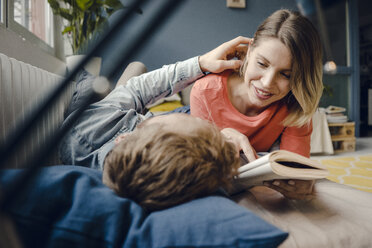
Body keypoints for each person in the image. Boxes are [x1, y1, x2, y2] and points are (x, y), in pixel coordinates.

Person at [59, 37, 250, 211]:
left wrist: (201, 63)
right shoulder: (170, 177)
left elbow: (138, 89)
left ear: (127, 136)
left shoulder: (85, 131)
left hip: (99, 115)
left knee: (129, 70)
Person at [189, 9, 323, 200]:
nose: (267, 83)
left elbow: (294, 168)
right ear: (249, 52)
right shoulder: (205, 91)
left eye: (286, 74)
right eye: (262, 64)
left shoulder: (295, 107)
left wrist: (303, 182)